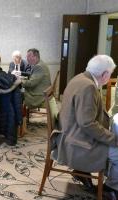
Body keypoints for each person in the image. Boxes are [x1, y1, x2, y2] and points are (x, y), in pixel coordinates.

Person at [51, 55, 118, 199]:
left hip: (68, 133)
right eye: (111, 74)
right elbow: (87, 124)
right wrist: (112, 138)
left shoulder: (79, 78)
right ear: (105, 74)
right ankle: (111, 188)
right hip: (76, 142)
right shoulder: (89, 87)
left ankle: (100, 180)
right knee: (117, 152)